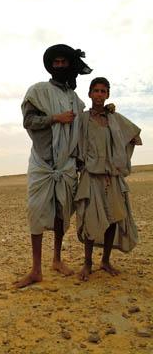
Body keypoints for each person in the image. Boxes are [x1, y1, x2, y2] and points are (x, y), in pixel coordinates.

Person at [14, 44, 92, 288]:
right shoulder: (38, 91)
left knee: (62, 213)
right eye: (55, 62)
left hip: (66, 165)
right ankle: (36, 269)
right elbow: (28, 121)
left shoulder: (74, 99)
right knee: (36, 212)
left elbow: (84, 125)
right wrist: (56, 119)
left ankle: (57, 259)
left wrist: (106, 111)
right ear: (50, 65)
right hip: (42, 164)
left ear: (69, 65)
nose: (59, 66)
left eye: (63, 62)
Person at [75, 77, 142, 281]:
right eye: (96, 91)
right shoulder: (83, 119)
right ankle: (87, 263)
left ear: (108, 95)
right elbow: (74, 143)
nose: (99, 95)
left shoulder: (114, 119)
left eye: (103, 91)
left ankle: (105, 260)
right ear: (89, 94)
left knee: (113, 218)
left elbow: (136, 138)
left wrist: (119, 145)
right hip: (91, 177)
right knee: (89, 219)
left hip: (112, 177)